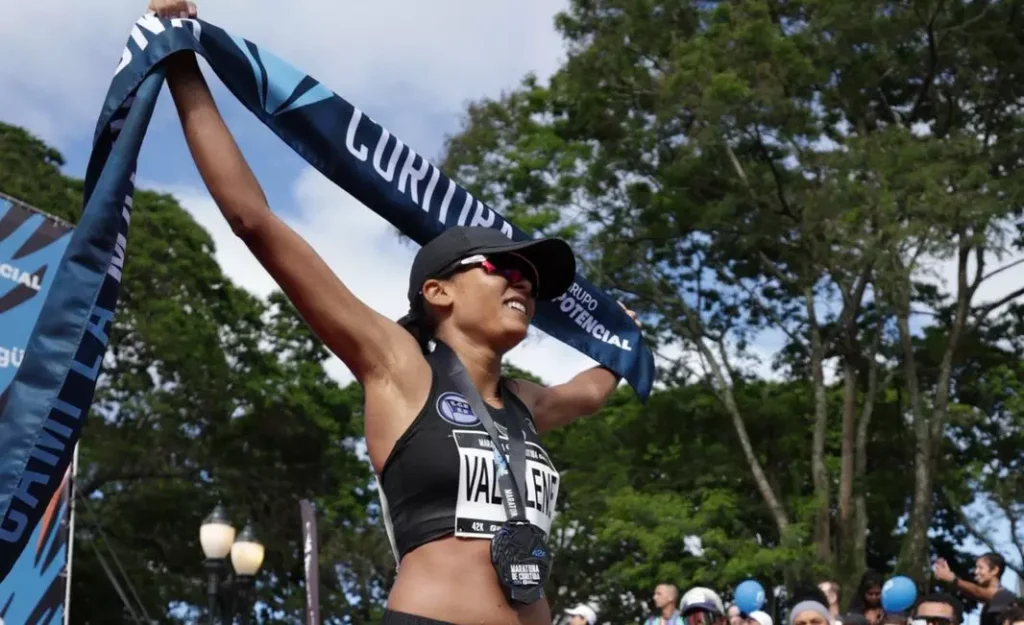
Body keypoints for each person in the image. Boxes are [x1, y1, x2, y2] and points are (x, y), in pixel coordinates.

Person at [147, 2, 642, 625]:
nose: (523, 283)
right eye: (504, 270)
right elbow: (256, 222)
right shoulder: (398, 367)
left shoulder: (527, 404)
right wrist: (181, 64)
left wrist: (625, 337)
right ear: (438, 293)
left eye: (531, 280)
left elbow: (593, 390)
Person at [933, 553, 1017, 625]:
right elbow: (973, 592)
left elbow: (978, 592)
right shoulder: (989, 601)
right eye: (976, 568)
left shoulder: (1004, 596)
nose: (976, 572)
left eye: (980, 568)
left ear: (994, 570)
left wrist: (953, 580)